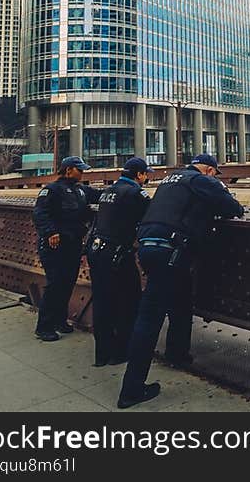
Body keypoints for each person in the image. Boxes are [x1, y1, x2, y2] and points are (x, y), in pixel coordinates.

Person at [117, 153, 244, 409]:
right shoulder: (200, 180)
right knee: (150, 318)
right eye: (213, 173)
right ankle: (130, 390)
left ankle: (177, 353)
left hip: (148, 246)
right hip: (171, 251)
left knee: (181, 302)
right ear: (209, 170)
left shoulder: (168, 180)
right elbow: (232, 207)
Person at [86, 156, 151, 368]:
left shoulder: (108, 191)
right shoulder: (135, 193)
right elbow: (151, 214)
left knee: (103, 303)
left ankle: (101, 354)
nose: (146, 178)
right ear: (139, 174)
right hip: (117, 255)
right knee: (128, 302)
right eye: (145, 174)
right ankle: (121, 351)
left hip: (97, 250)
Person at [32, 156, 101, 342]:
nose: (82, 173)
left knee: (67, 283)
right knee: (55, 284)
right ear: (69, 169)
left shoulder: (80, 190)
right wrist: (50, 232)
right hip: (54, 245)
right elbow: (40, 213)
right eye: (80, 170)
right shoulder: (51, 190)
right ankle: (44, 326)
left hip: (72, 244)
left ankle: (60, 321)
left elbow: (101, 194)